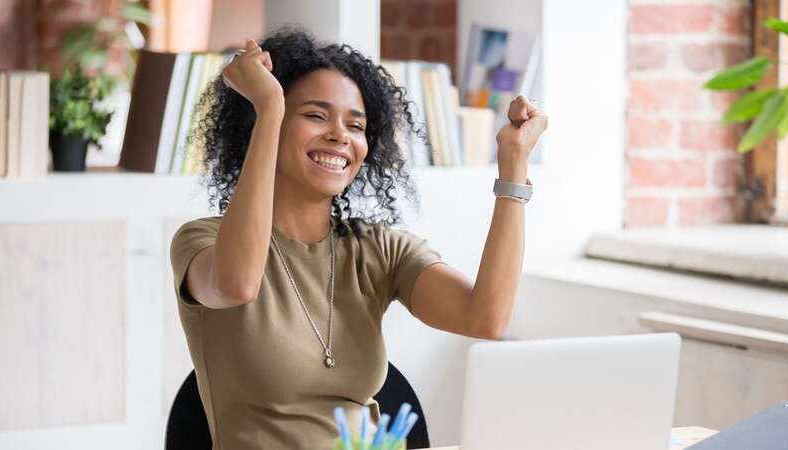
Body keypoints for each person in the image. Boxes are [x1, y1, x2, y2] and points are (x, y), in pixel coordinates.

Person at [169, 28, 547, 450]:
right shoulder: (203, 240)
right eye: (315, 115)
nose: (339, 135)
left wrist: (513, 167)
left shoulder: (379, 249)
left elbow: (486, 318)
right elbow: (237, 283)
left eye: (356, 124)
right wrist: (270, 106)